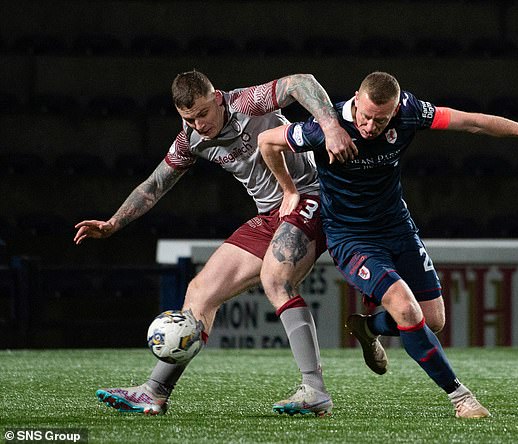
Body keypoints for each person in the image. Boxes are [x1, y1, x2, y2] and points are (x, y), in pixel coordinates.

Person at [258, 71, 518, 418]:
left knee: (433, 320)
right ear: (355, 99)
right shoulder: (325, 127)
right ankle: (461, 398)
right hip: (351, 236)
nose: (369, 127)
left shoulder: (410, 112)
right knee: (407, 310)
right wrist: (289, 190)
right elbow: (268, 142)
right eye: (364, 116)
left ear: (394, 112)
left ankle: (369, 326)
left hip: (397, 228)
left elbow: (472, 123)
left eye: (380, 120)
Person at [74, 70, 357, 417]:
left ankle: (314, 390)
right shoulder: (191, 139)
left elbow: (302, 81)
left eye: (203, 114)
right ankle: (154, 391)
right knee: (200, 292)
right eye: (188, 118)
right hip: (270, 213)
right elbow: (155, 185)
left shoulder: (246, 103)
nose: (198, 124)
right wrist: (114, 222)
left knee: (276, 278)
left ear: (218, 98)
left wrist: (329, 126)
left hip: (309, 196)